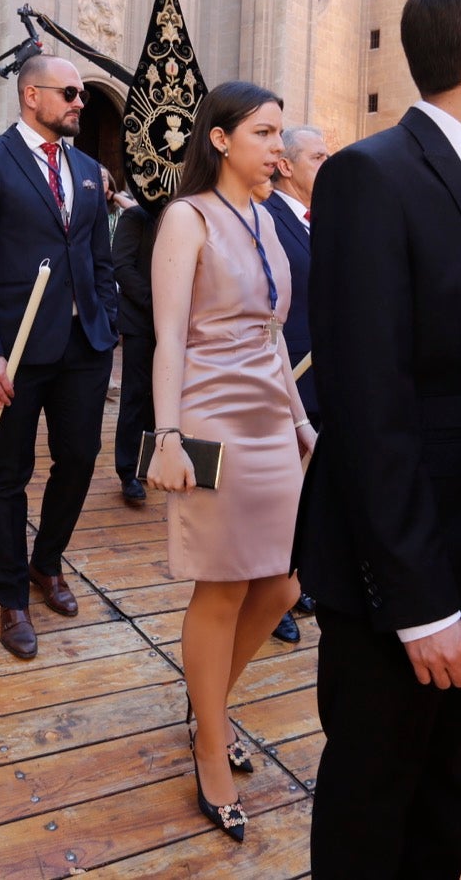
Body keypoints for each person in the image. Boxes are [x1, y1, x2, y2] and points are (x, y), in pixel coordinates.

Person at [295, 0, 461, 878]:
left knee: (442, 785)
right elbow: (371, 409)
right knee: (374, 802)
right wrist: (420, 604)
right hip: (402, 585)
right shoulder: (373, 177)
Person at [144, 81, 314, 843]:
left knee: (280, 585)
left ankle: (205, 705)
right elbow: (169, 336)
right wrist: (168, 435)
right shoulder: (187, 218)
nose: (279, 149)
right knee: (221, 590)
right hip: (209, 422)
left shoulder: (266, 218)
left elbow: (273, 333)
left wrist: (301, 420)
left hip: (273, 422)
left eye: (281, 137)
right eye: (266, 134)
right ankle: (210, 742)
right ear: (219, 139)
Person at [0, 54, 119, 660]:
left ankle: (46, 563)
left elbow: (99, 255)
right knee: (8, 475)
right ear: (30, 95)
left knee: (79, 460)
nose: (80, 101)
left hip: (85, 345)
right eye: (69, 92)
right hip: (14, 350)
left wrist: (108, 315)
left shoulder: (88, 169)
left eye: (81, 93)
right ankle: (12, 600)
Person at [264, 123, 329, 642]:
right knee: (279, 493)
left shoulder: (321, 222)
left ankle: (295, 577)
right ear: (286, 165)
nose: (327, 165)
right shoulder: (267, 219)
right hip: (286, 375)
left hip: (324, 377)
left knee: (306, 493)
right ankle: (270, 595)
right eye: (318, 157)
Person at [111, 200, 160, 508]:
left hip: (178, 323)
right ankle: (128, 470)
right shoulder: (136, 216)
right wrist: (157, 302)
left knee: (163, 395)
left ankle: (153, 461)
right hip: (142, 321)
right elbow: (122, 266)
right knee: (135, 395)